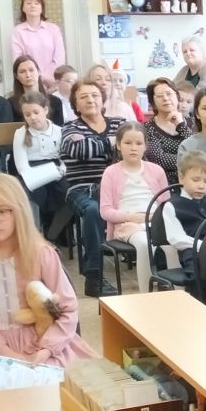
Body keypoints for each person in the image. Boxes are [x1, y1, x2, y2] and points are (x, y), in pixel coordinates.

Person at [0, 174, 96, 393]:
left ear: (18, 211)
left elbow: (68, 309)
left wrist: (46, 349)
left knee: (67, 389)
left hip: (48, 344)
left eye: (3, 211)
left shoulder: (42, 253)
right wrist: (6, 353)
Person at [59, 78, 124, 297]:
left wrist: (96, 144)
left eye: (95, 95)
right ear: (75, 105)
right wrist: (112, 143)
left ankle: (157, 268)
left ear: (103, 100)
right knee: (93, 210)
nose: (90, 100)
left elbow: (133, 147)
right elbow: (79, 151)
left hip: (118, 188)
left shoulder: (119, 123)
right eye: (83, 97)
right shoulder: (70, 127)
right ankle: (94, 278)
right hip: (83, 188)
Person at [99, 121, 176, 293]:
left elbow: (167, 204)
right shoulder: (111, 172)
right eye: (128, 143)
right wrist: (132, 217)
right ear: (118, 145)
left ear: (145, 146)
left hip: (155, 221)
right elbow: (105, 210)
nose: (133, 148)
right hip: (126, 224)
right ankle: (145, 293)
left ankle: (177, 291)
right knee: (143, 243)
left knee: (172, 243)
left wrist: (156, 217)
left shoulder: (157, 170)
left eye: (139, 143)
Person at [162, 150, 206, 297]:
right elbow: (176, 238)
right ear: (181, 178)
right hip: (193, 252)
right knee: (198, 275)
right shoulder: (172, 205)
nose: (201, 186)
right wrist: (205, 247)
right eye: (196, 180)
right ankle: (200, 307)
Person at [12, 91, 67, 231]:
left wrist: (61, 170)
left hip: (56, 169)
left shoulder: (59, 131)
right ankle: (35, 231)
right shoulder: (21, 133)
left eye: (36, 112)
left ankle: (54, 232)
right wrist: (34, 176)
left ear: (46, 110)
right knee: (31, 193)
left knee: (67, 191)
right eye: (27, 114)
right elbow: (21, 165)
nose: (32, 117)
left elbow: (65, 158)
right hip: (32, 171)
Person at [10, 0, 65, 90]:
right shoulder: (18, 31)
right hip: (29, 81)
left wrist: (45, 78)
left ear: (42, 8)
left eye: (37, 3)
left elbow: (59, 57)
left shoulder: (53, 29)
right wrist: (36, 76)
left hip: (53, 81)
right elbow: (18, 59)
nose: (33, 6)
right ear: (23, 8)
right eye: (28, 3)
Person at [143, 77, 193, 184]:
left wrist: (181, 125)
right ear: (152, 102)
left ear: (177, 96)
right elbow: (159, 159)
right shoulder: (147, 128)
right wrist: (192, 160)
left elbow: (197, 149)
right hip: (164, 184)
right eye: (159, 96)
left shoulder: (193, 123)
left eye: (169, 94)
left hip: (194, 181)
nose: (165, 98)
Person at [9, 55, 64, 126]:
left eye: (31, 70)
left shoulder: (55, 102)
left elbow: (59, 129)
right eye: (22, 72)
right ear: (16, 76)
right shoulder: (10, 104)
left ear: (38, 72)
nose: (28, 75)